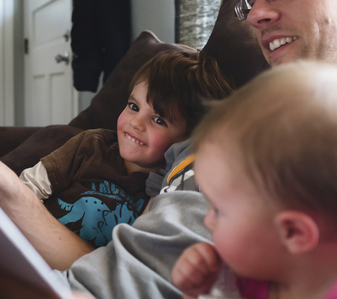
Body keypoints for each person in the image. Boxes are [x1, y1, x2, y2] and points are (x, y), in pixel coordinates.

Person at [0, 0, 337, 299]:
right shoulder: (221, 143)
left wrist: (6, 193)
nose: (254, 14)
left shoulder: (265, 161)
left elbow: (106, 297)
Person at [172, 61, 337, 299]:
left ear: (293, 232)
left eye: (219, 210)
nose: (207, 220)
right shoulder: (250, 272)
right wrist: (198, 294)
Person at [19, 51, 233, 247]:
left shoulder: (164, 193)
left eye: (158, 120)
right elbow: (28, 186)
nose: (136, 123)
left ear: (187, 140)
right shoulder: (92, 145)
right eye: (133, 107)